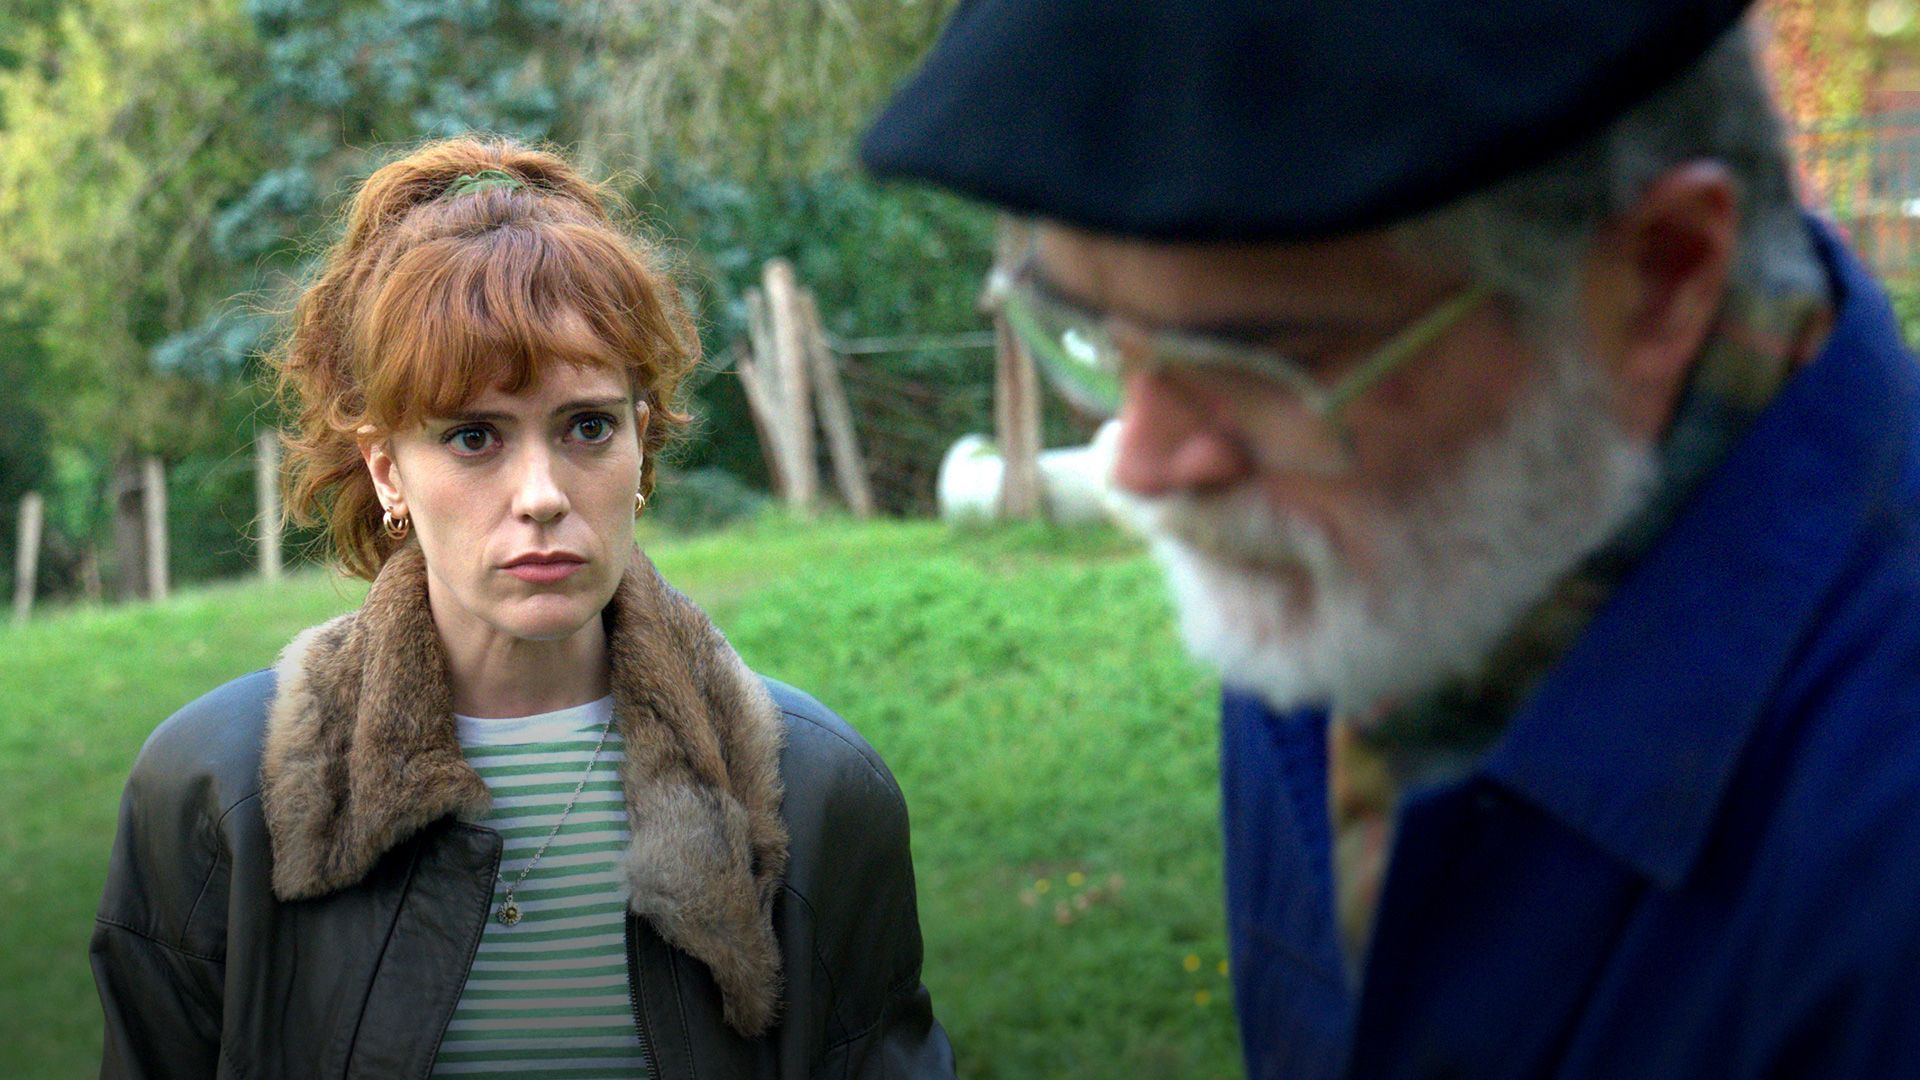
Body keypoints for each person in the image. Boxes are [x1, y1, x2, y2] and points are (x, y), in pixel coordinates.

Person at [864, 1, 1920, 1076]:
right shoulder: (1359, 567)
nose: (1141, 464)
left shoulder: (1880, 868)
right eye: (1093, 332)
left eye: (1260, 363)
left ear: (1661, 279)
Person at [91, 136, 954, 1078]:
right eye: (474, 437)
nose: (541, 494)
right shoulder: (215, 794)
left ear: (641, 448)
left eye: (587, 426)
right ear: (388, 471)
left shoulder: (816, 794)